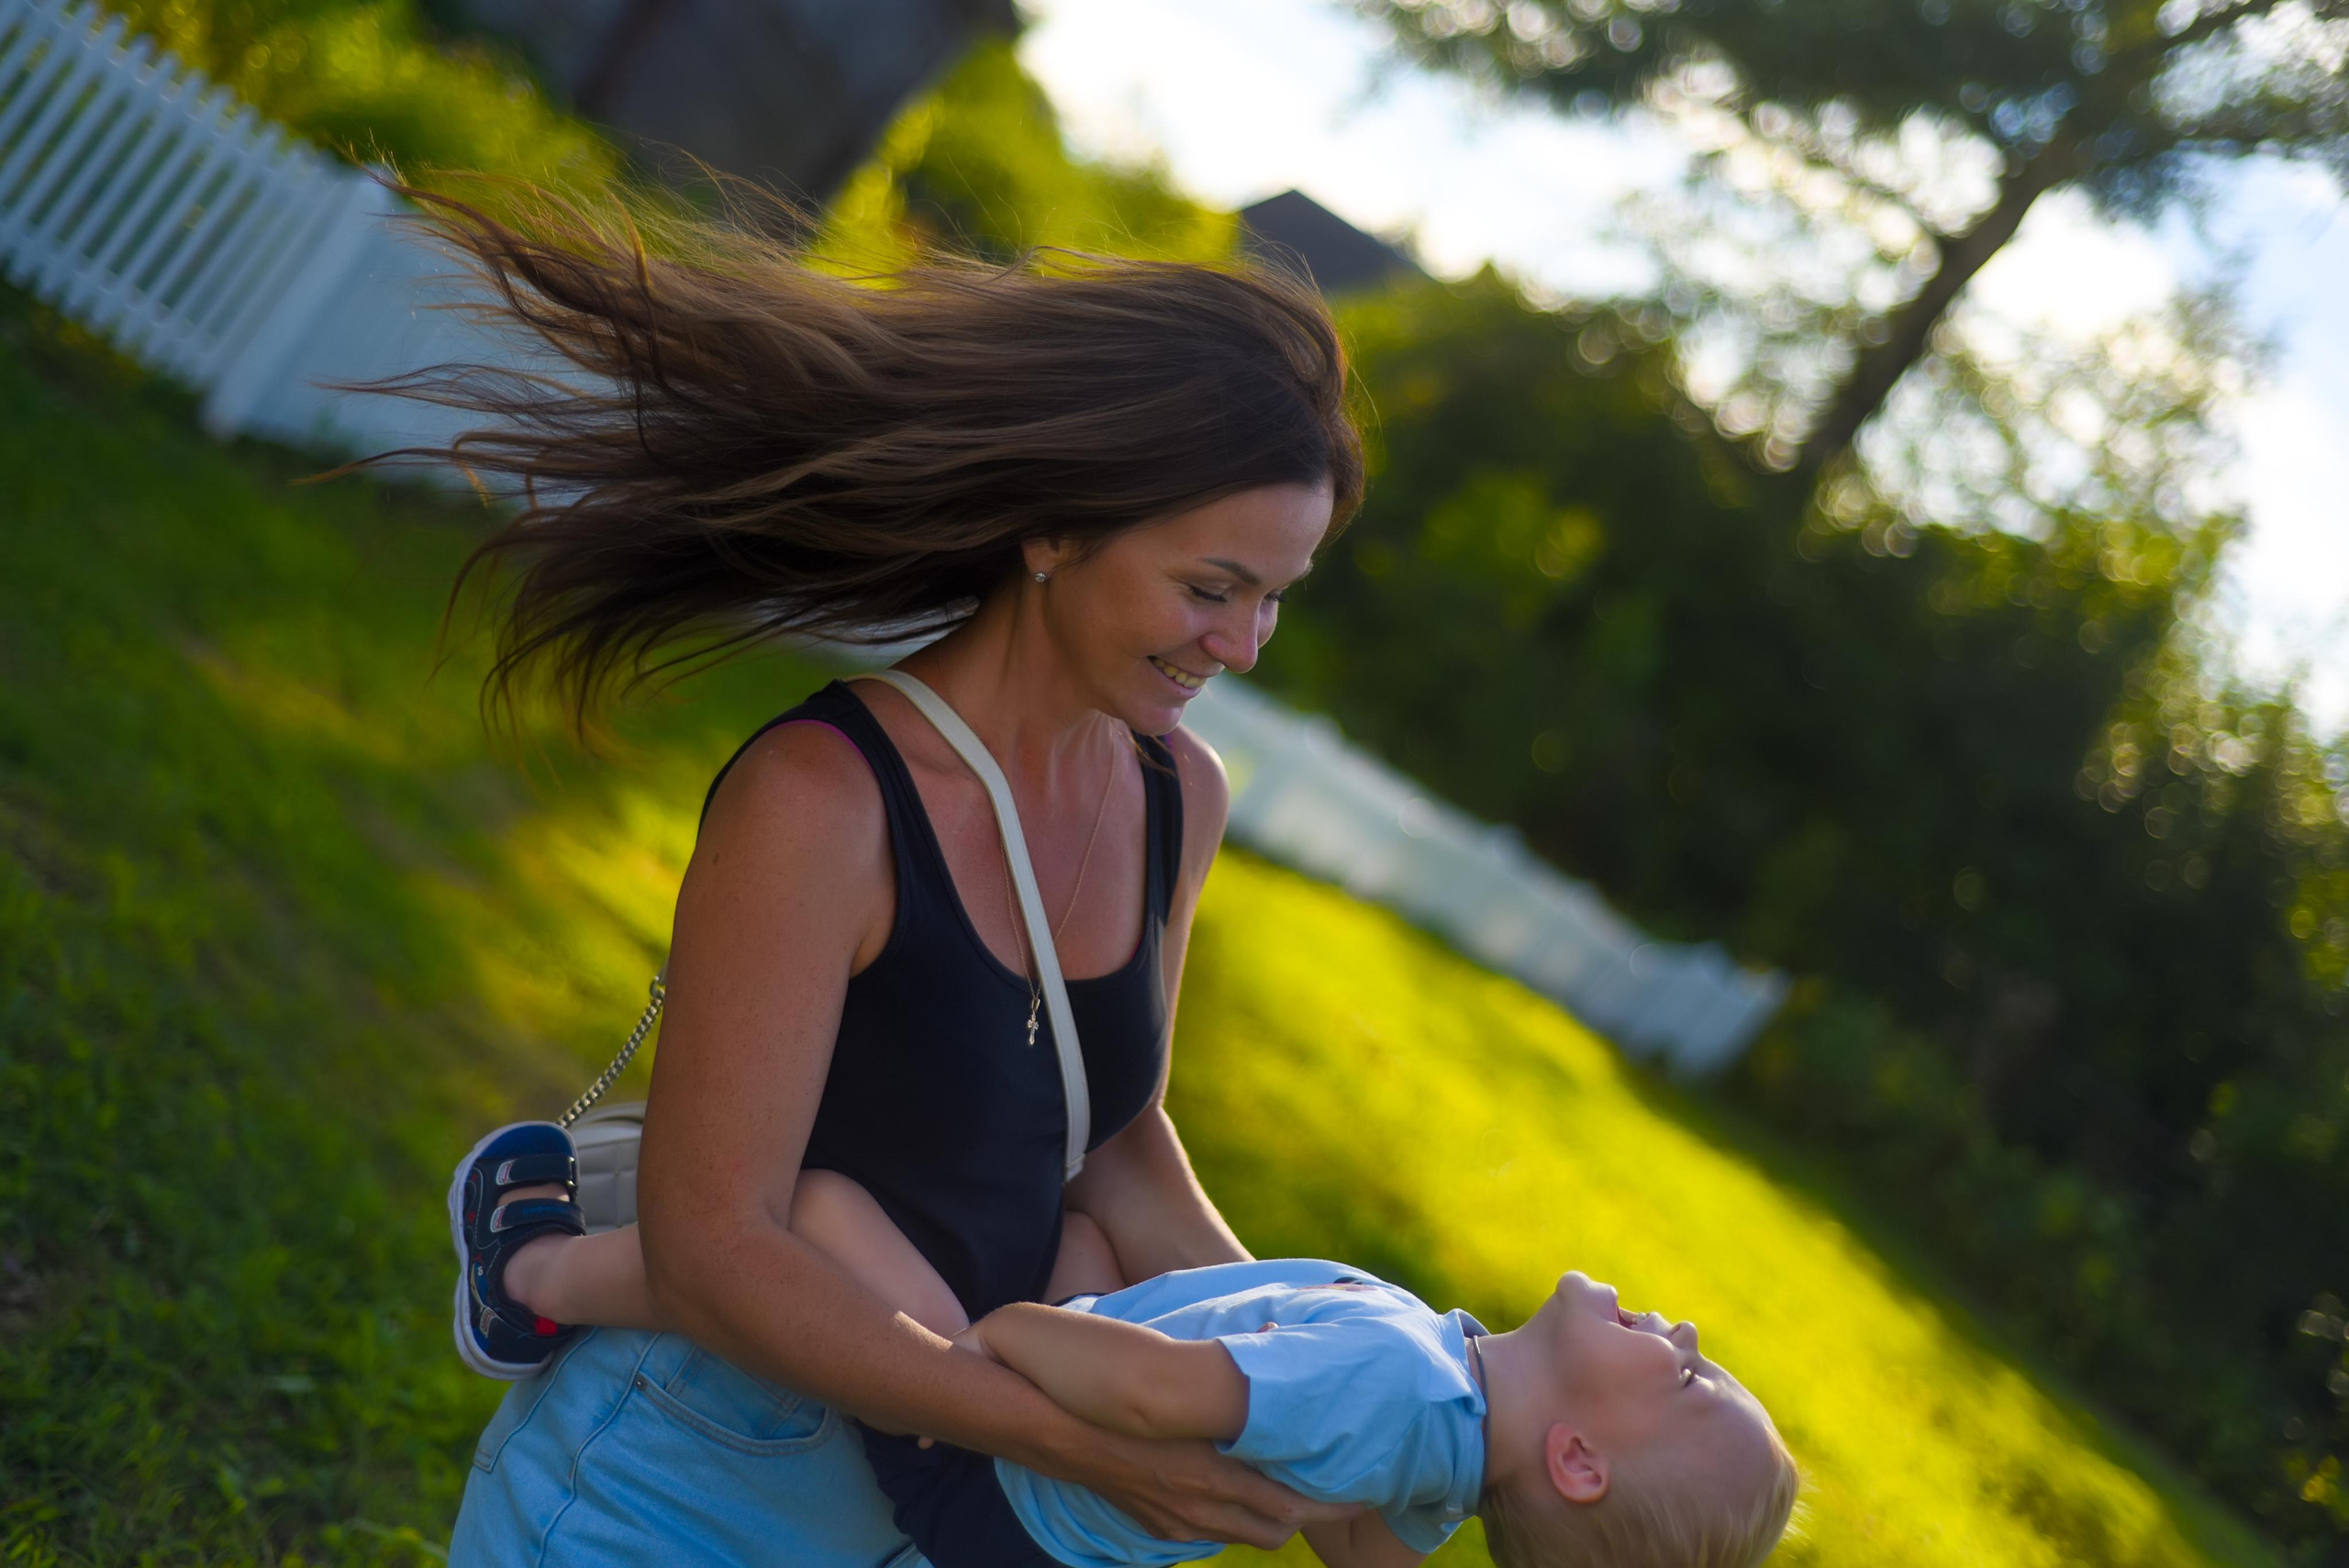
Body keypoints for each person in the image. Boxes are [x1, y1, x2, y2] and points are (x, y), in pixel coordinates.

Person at [375, 183, 1371, 1566]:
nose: (1246, 643)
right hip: (684, 1484)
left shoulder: (1174, 793)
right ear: (1052, 530)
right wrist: (1064, 1442)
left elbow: (1119, 1142)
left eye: (1277, 593)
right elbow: (716, 1248)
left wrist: (1331, 1389)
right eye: (1211, 586)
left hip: (923, 1507)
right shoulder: (825, 800)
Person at [450, 1130, 1800, 1568]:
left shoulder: (1404, 1384)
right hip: (1047, 1515)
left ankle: (536, 1276)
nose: (1680, 1330)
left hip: (992, 1467)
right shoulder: (1443, 1441)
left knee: (811, 1216)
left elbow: (1162, 1383)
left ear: (1571, 1458)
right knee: (1087, 1221)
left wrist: (1014, 1337)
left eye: (1688, 1373)